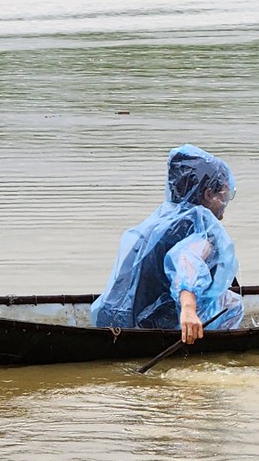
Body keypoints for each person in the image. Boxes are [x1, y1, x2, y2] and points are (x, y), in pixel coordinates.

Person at [90, 145, 243, 341]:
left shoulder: (163, 219)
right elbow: (187, 261)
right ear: (208, 195)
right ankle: (207, 347)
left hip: (111, 319)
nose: (225, 203)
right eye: (224, 195)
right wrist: (188, 309)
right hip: (149, 327)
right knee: (231, 303)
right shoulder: (200, 226)